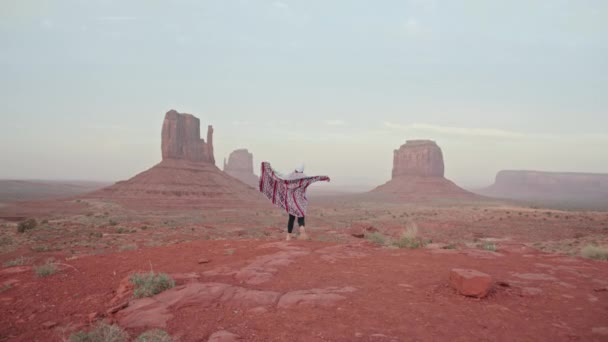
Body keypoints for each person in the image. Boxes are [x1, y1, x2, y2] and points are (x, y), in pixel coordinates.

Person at [258, 162, 330, 241]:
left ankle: (288, 236)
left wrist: (271, 169)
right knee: (301, 217)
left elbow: (279, 175)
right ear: (302, 170)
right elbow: (314, 178)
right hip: (300, 202)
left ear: (295, 169)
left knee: (291, 218)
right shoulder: (305, 178)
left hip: (291, 201)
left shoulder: (289, 176)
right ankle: (302, 228)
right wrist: (325, 178)